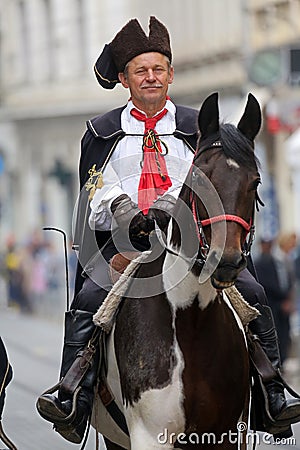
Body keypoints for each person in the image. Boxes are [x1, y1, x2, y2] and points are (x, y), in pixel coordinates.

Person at [36, 16, 300, 444]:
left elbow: (218, 182)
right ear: (125, 79)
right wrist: (122, 208)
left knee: (252, 291)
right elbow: (92, 190)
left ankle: (272, 394)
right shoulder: (100, 134)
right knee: (89, 298)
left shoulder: (202, 128)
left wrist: (179, 213)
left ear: (171, 74)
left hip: (193, 245)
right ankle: (73, 395)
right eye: (141, 70)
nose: (151, 77)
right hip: (125, 248)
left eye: (158, 68)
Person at [255, 234, 297, 365]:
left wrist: (288, 300)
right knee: (275, 334)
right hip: (271, 304)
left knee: (285, 334)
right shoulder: (260, 262)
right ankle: (275, 364)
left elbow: (288, 282)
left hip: (283, 303)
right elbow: (265, 285)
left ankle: (282, 362)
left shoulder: (280, 260)